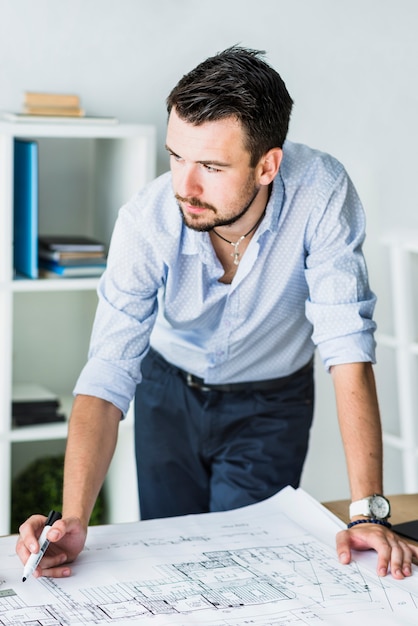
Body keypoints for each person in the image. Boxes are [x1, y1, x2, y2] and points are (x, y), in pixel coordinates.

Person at [17, 46, 418, 580]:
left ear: (267, 165)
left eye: (210, 165)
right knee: (171, 560)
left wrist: (368, 511)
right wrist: (72, 519)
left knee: (245, 569)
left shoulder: (321, 192)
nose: (185, 186)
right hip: (167, 393)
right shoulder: (146, 221)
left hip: (272, 403)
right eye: (176, 156)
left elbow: (347, 346)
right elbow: (107, 374)